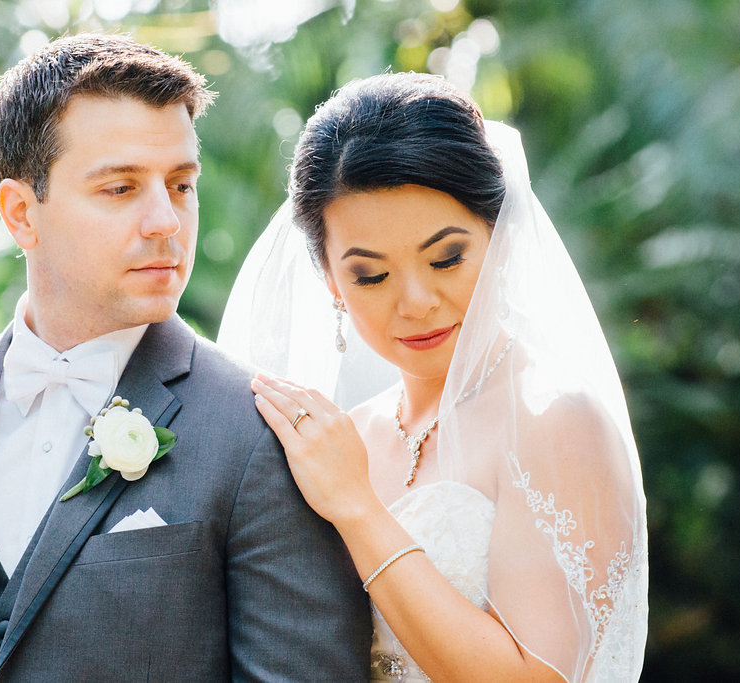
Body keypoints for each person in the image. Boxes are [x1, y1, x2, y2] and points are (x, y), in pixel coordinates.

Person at [0, 33, 371, 681]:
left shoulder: (262, 434)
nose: (166, 221)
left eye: (181, 185)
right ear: (20, 213)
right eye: (120, 188)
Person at [219, 72, 649, 681]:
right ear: (332, 286)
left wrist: (359, 510)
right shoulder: (347, 439)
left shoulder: (556, 418)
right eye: (371, 275)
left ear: (502, 238)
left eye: (446, 257)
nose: (416, 301)